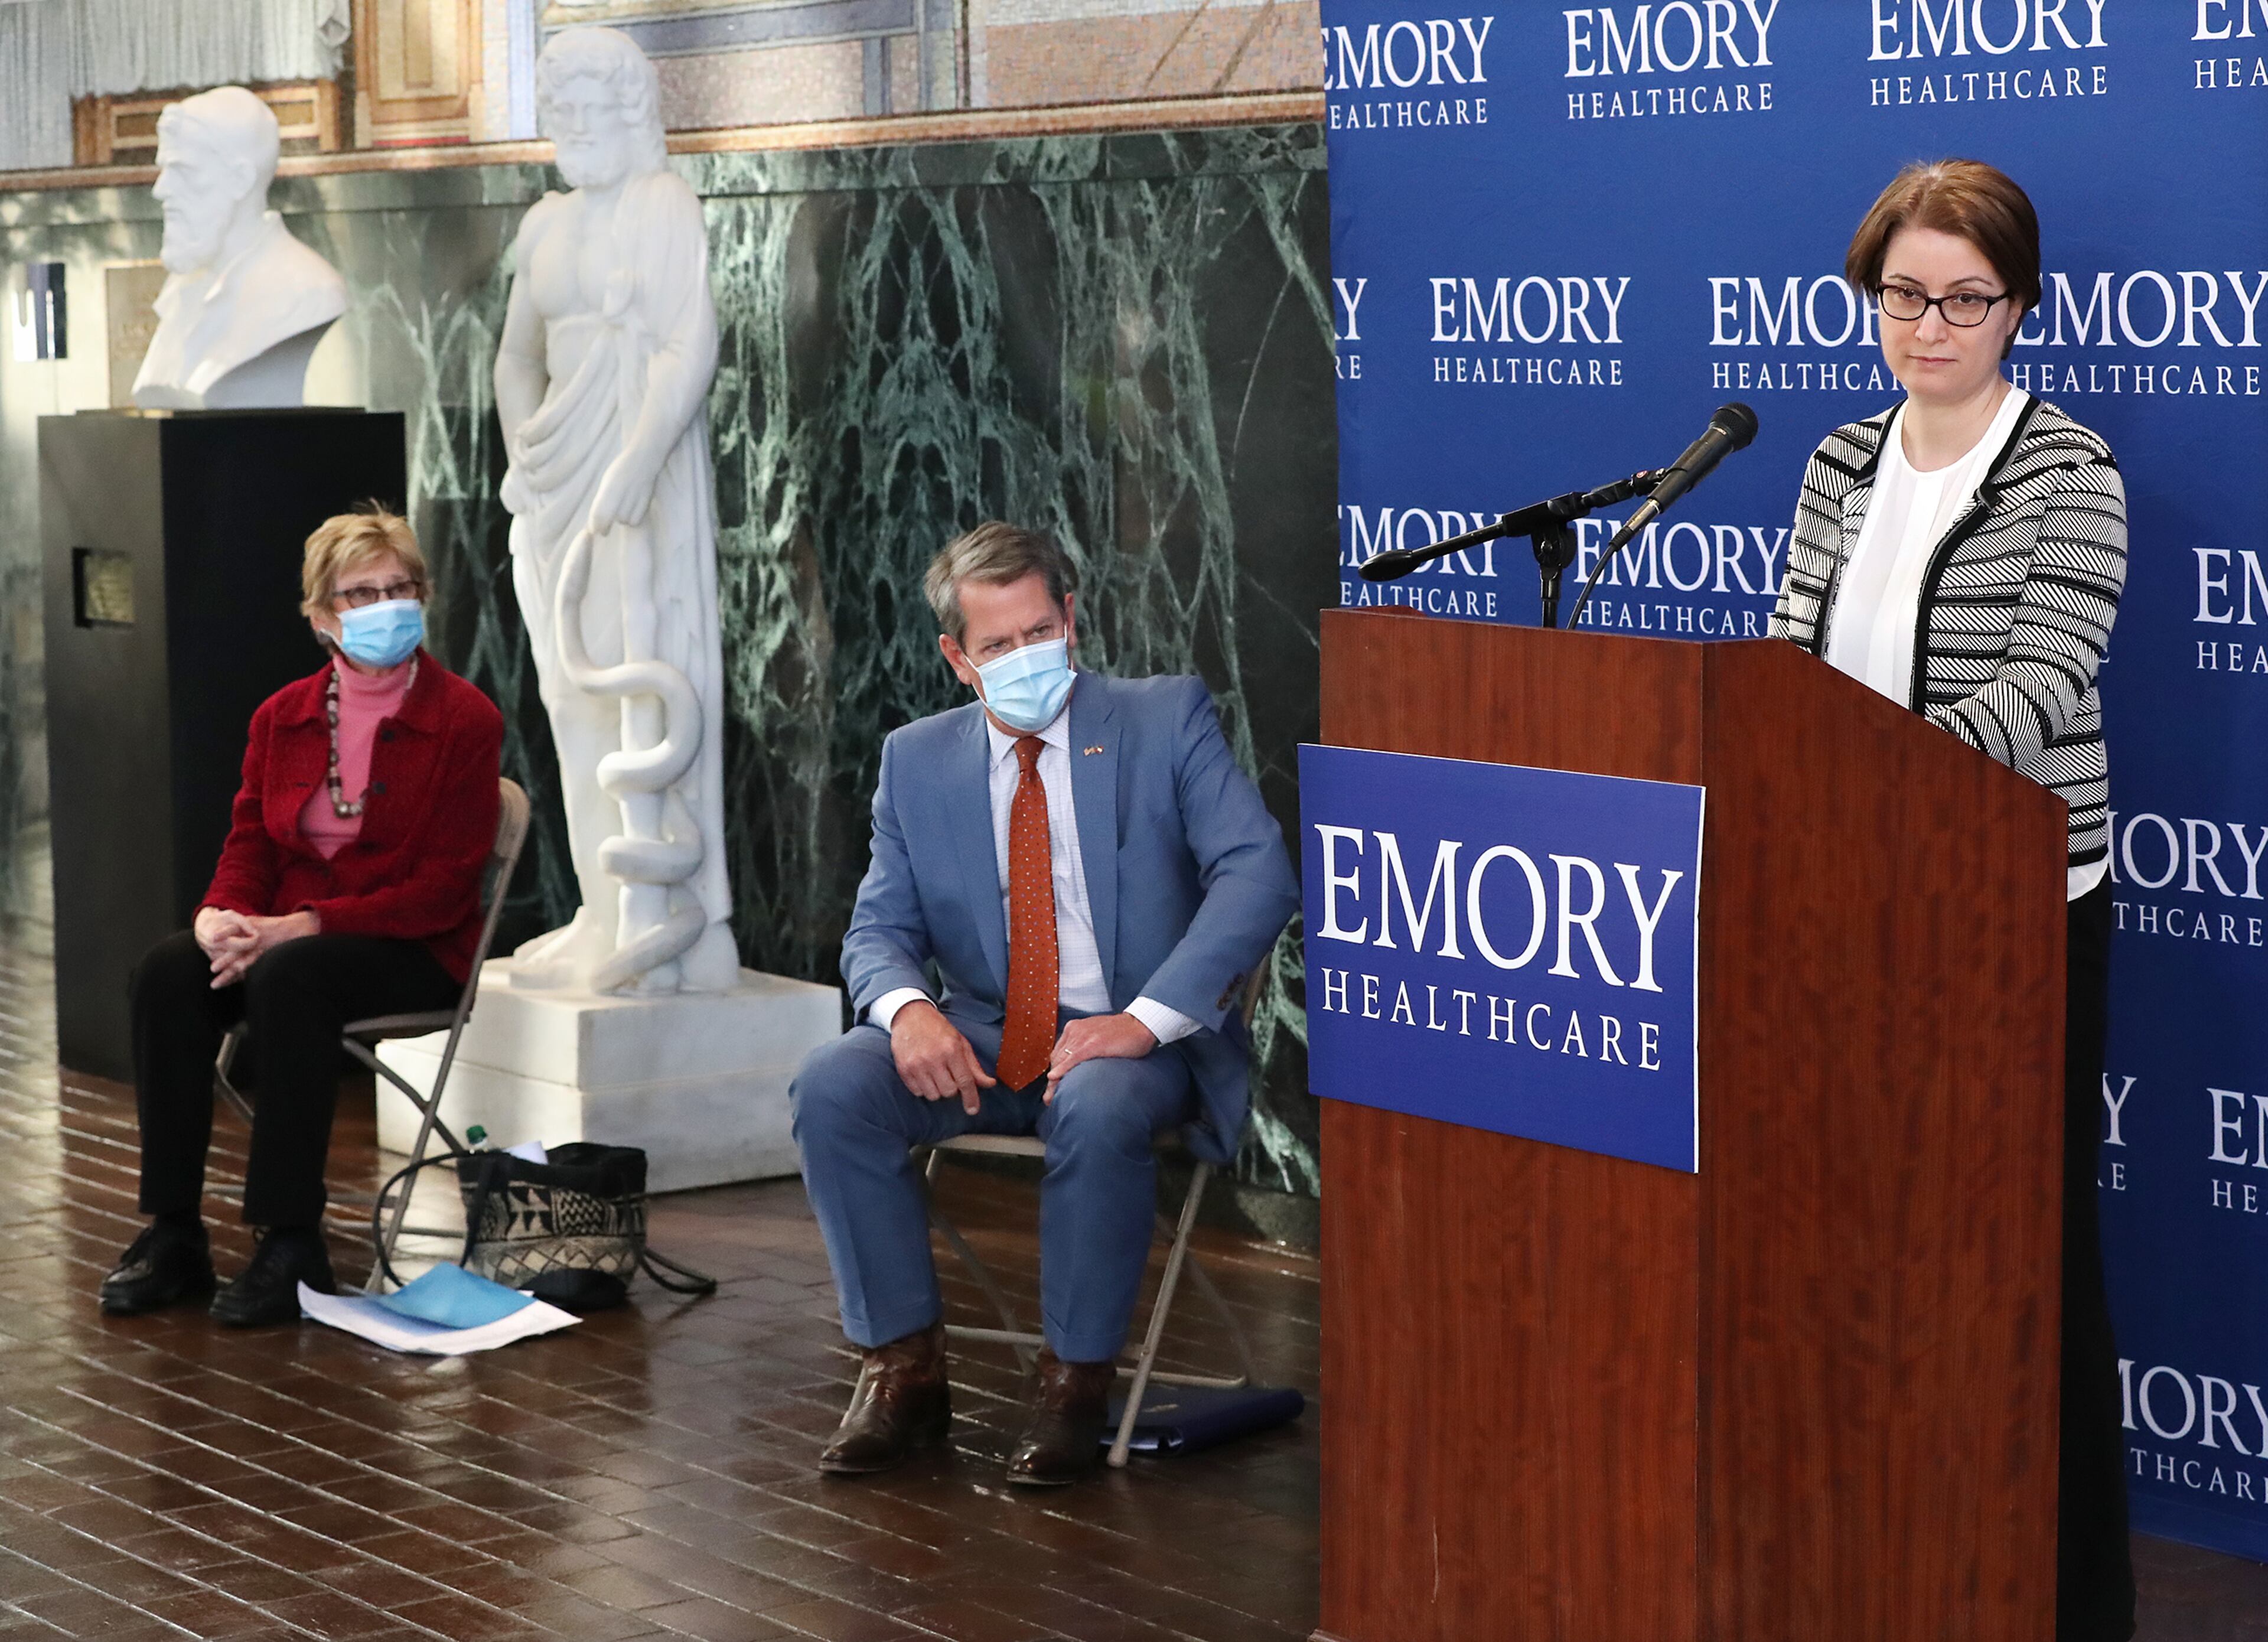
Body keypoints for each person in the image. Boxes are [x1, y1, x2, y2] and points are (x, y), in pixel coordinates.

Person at [1771, 159, 2132, 1642]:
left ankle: (2068, 1598)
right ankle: (1895, 1553)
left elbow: (2048, 677)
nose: (1930, 325)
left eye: (1964, 298)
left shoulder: (2071, 470)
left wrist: (1881, 780)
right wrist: (1806, 774)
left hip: (2013, 910)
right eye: (1902, 294)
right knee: (1867, 1241)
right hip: (1850, 907)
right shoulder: (1836, 461)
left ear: (2017, 308)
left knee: (2023, 1253)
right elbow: (1788, 655)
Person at [791, 522, 1299, 1487]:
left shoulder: (1162, 719)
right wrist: (907, 1011)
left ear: (1071, 620)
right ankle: (904, 1371)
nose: (1026, 658)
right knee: (833, 1085)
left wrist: (1143, 1021)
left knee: (1099, 1100)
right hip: (988, 1032)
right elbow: (876, 931)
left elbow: (1257, 873)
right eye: (998, 645)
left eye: (1039, 632)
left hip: (1141, 1043)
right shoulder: (916, 761)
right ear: (957, 659)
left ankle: (1074, 1385)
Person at [99, 509, 503, 1328]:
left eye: (401, 588)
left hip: (413, 947)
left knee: (290, 976)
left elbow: (444, 893)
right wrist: (222, 914)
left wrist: (300, 927)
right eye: (362, 593)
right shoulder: (281, 717)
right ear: (322, 617)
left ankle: (291, 1242)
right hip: (293, 941)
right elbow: (250, 841)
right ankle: (174, 1232)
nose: (386, 606)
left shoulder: (466, 720)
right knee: (171, 970)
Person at [493, 24, 737, 995]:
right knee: (570, 696)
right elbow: (516, 355)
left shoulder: (661, 205)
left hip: (637, 491)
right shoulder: (546, 226)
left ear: (631, 113)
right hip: (554, 486)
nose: (573, 126)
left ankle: (666, 916)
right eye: (558, 110)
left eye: (591, 107)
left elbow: (691, 342)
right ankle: (603, 905)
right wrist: (526, 455)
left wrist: (637, 460)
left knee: (645, 682)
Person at [132, 86, 348, 410]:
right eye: (164, 170)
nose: (161, 190)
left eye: (183, 172)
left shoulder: (308, 291)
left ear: (240, 180)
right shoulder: (183, 289)